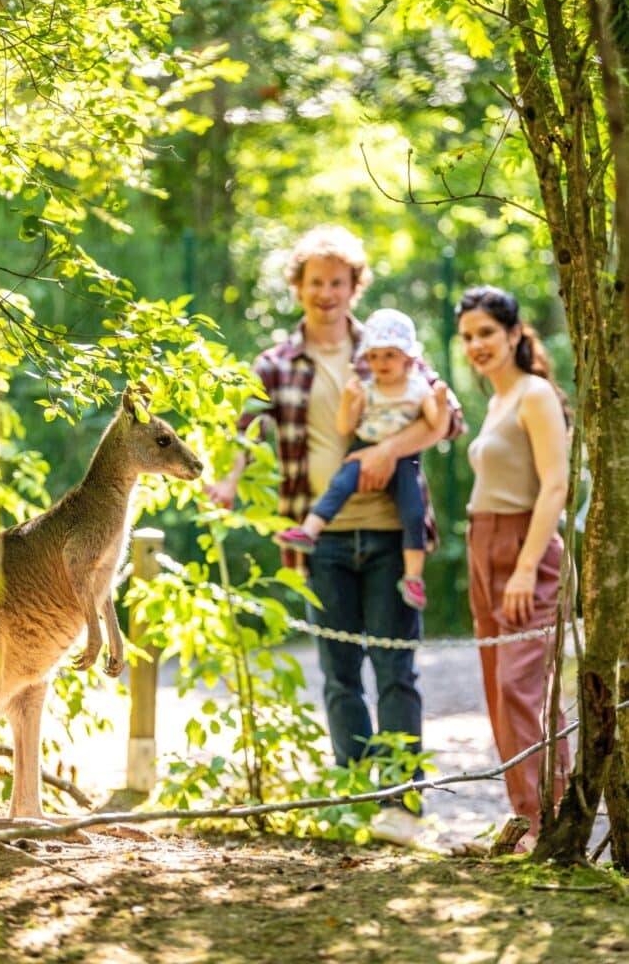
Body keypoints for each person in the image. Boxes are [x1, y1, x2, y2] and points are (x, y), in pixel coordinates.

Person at [209, 225, 463, 846]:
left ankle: (400, 805)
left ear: (355, 286)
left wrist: (387, 455)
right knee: (340, 674)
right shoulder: (273, 364)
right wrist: (229, 480)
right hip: (319, 538)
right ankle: (354, 800)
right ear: (298, 286)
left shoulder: (390, 346)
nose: (327, 292)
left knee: (396, 669)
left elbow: (447, 419)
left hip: (390, 536)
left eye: (338, 281)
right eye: (315, 281)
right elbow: (244, 431)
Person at [455, 285, 570, 848]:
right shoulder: (498, 401)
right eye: (468, 336)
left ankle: (551, 828)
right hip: (484, 546)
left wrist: (526, 568)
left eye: (486, 334)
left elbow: (555, 485)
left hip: (525, 548)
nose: (477, 344)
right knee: (500, 693)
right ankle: (525, 823)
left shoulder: (535, 394)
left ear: (515, 334)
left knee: (521, 689)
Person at [272, 308, 448, 612]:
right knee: (339, 485)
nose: (381, 364)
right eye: (375, 356)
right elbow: (345, 426)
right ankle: (309, 531)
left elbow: (437, 422)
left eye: (390, 355)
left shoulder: (419, 387)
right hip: (363, 444)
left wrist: (441, 402)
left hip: (404, 459)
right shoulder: (368, 389)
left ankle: (413, 577)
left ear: (407, 358)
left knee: (413, 511)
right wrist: (348, 400)